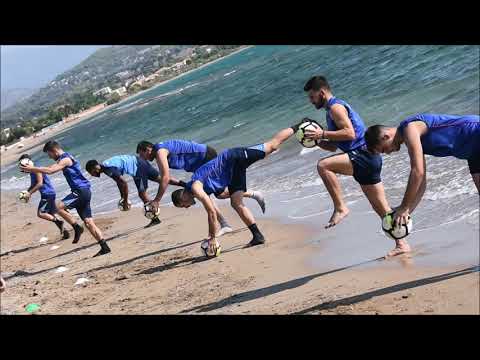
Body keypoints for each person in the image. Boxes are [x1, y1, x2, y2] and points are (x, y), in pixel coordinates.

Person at [301, 76, 401, 255]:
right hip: (367, 157)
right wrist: (317, 140)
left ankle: (341, 207)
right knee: (382, 209)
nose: (311, 101)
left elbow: (350, 133)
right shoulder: (331, 110)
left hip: (362, 154)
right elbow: (334, 146)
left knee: (323, 166)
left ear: (322, 93)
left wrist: (322, 132)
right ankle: (402, 245)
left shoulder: (335, 107)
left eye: (312, 97)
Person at [365, 113, 480, 252]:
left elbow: (417, 172)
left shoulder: (409, 128)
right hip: (472, 153)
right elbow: (422, 182)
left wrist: (404, 207)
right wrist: (406, 212)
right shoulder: (410, 141)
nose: (388, 153)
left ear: (385, 137)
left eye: (384, 149)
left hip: (474, 132)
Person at [171, 128, 293, 255]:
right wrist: (214, 232)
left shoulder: (196, 188)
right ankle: (258, 236)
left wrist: (212, 237)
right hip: (233, 172)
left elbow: (211, 212)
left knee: (272, 146)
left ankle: (299, 125)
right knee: (235, 202)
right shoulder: (197, 190)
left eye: (183, 206)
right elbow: (213, 206)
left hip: (234, 157)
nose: (186, 207)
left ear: (182, 198)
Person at [137, 139, 265, 237]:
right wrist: (183, 184)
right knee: (218, 194)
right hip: (201, 165)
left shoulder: (160, 152)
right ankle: (252, 195)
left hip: (206, 157)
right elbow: (165, 178)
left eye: (142, 155)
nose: (144, 159)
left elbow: (165, 177)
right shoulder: (160, 152)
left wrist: (157, 200)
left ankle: (225, 223)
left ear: (147, 149)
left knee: (210, 195)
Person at [20, 141, 111, 257]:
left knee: (56, 207)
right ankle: (104, 247)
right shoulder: (63, 159)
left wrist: (31, 168)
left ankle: (76, 227)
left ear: (54, 151)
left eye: (49, 154)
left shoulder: (66, 159)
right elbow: (50, 168)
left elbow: (51, 171)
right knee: (89, 223)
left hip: (80, 192)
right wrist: (33, 169)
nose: (50, 157)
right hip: (84, 192)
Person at [85, 154, 167, 228]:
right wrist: (122, 197)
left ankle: (155, 219)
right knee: (163, 180)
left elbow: (124, 183)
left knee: (142, 194)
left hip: (138, 168)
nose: (92, 175)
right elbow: (119, 182)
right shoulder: (106, 165)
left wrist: (125, 201)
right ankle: (180, 185)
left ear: (95, 168)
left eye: (91, 172)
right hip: (139, 162)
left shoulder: (108, 169)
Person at [18, 154, 70, 239]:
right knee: (51, 213)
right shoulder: (32, 172)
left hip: (47, 193)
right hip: (48, 193)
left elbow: (40, 183)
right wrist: (27, 193)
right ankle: (65, 231)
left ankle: (61, 222)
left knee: (41, 213)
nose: (23, 168)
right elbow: (33, 185)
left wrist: (29, 193)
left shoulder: (36, 170)